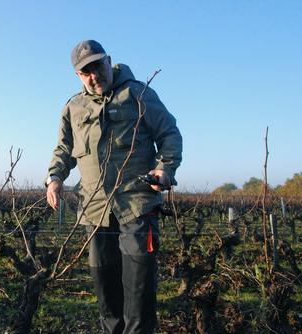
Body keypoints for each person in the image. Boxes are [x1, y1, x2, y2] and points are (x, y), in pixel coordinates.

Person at [45, 40, 182, 334]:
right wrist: (54, 178)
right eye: (86, 72)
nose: (94, 75)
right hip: (95, 212)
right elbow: (63, 149)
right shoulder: (73, 107)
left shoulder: (138, 93)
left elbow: (169, 134)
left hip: (137, 206)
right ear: (78, 76)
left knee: (139, 292)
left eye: (98, 66)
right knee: (106, 293)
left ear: (108, 61)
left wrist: (164, 168)